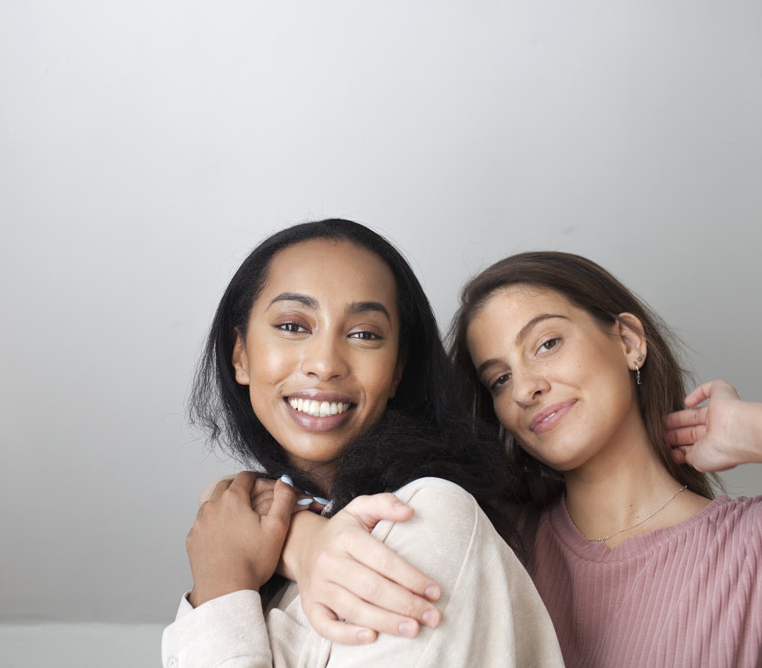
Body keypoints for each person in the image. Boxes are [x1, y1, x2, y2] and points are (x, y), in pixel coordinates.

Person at [282, 250, 762, 667]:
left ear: (628, 341)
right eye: (500, 379)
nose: (526, 388)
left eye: (548, 343)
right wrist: (304, 541)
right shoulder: (488, 537)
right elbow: (241, 514)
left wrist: (751, 429)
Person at [162, 221, 564, 667]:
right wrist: (292, 539)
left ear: (396, 370)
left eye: (364, 334)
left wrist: (221, 585)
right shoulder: (252, 538)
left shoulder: (427, 518)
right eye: (293, 325)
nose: (325, 364)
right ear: (240, 355)